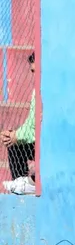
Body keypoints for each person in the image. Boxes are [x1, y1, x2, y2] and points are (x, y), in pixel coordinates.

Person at [2, 53, 36, 195]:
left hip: (46, 142)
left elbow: (37, 128)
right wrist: (14, 135)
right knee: (13, 143)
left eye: (36, 71)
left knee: (16, 140)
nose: (34, 75)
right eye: (33, 71)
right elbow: (30, 122)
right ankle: (21, 184)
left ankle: (32, 183)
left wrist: (18, 135)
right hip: (35, 139)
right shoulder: (37, 90)